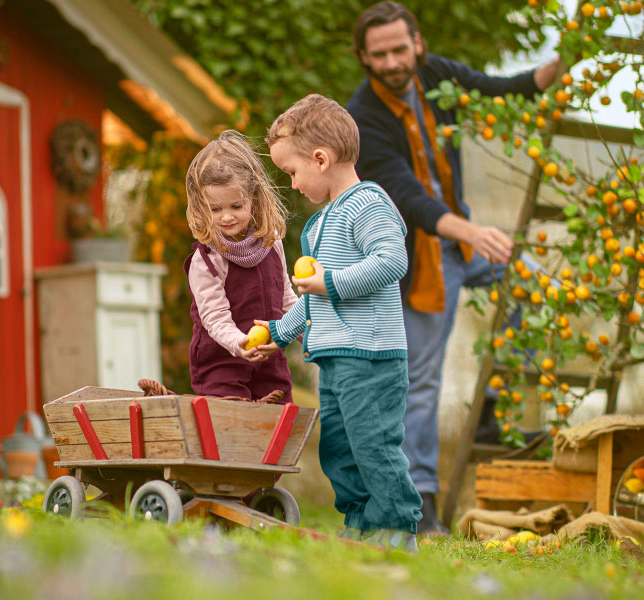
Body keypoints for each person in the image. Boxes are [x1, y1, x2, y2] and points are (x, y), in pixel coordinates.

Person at [346, 1, 562, 534]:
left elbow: (504, 89)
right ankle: (420, 505)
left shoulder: (435, 75)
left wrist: (567, 60)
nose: (394, 62)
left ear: (417, 43)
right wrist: (472, 231)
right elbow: (410, 199)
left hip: (462, 242)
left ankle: (494, 401)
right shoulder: (363, 120)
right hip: (419, 257)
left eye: (400, 49)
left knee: (531, 283)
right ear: (364, 58)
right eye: (381, 55)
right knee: (420, 383)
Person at [262, 94, 422, 552]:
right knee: (340, 448)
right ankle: (362, 524)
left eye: (292, 172)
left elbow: (391, 261)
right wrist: (278, 333)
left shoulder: (368, 203)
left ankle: (396, 525)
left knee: (373, 444)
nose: (291, 185)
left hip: (371, 354)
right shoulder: (319, 225)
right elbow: (314, 303)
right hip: (335, 360)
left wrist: (330, 282)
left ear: (320, 158)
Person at [180, 130, 297, 403]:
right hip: (222, 364)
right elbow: (214, 318)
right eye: (215, 209)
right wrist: (239, 343)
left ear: (253, 198)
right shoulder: (207, 259)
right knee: (232, 430)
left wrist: (304, 331)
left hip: (270, 356)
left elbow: (285, 298)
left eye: (236, 205)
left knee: (279, 424)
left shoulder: (271, 243)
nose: (227, 216)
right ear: (201, 207)